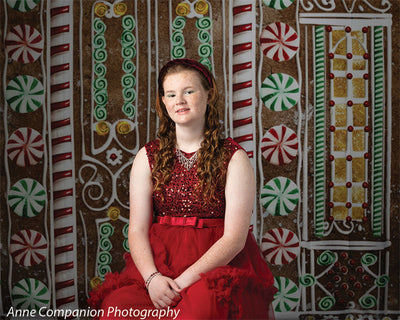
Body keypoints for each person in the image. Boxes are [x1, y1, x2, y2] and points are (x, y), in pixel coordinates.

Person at [88, 58, 276, 319]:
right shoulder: (148, 156)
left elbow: (235, 239)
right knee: (117, 307)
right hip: (158, 266)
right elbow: (137, 229)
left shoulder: (233, 157)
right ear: (163, 102)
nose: (180, 100)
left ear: (209, 95)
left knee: (201, 309)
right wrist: (153, 279)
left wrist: (179, 284)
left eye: (189, 91)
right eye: (171, 94)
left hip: (213, 268)